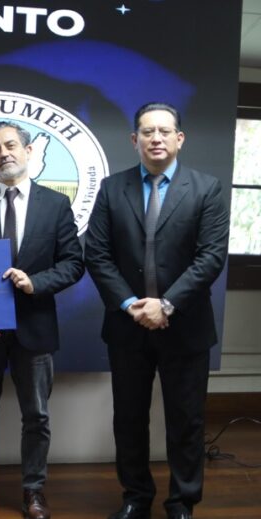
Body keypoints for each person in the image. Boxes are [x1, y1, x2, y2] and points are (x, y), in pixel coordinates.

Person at [84, 103, 229, 519]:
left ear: (179, 138)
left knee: (187, 421)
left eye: (165, 131)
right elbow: (97, 255)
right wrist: (130, 304)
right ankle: (136, 497)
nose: (156, 138)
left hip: (185, 325)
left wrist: (166, 304)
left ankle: (182, 501)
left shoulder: (206, 189)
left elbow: (210, 258)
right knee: (129, 419)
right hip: (127, 326)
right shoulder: (112, 189)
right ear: (135, 140)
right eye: (147, 132)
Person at [0, 121, 84, 519]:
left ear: (28, 151)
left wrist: (35, 282)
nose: (3, 153)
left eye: (10, 145)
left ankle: (34, 491)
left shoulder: (55, 205)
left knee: (36, 416)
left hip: (34, 326)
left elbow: (73, 264)